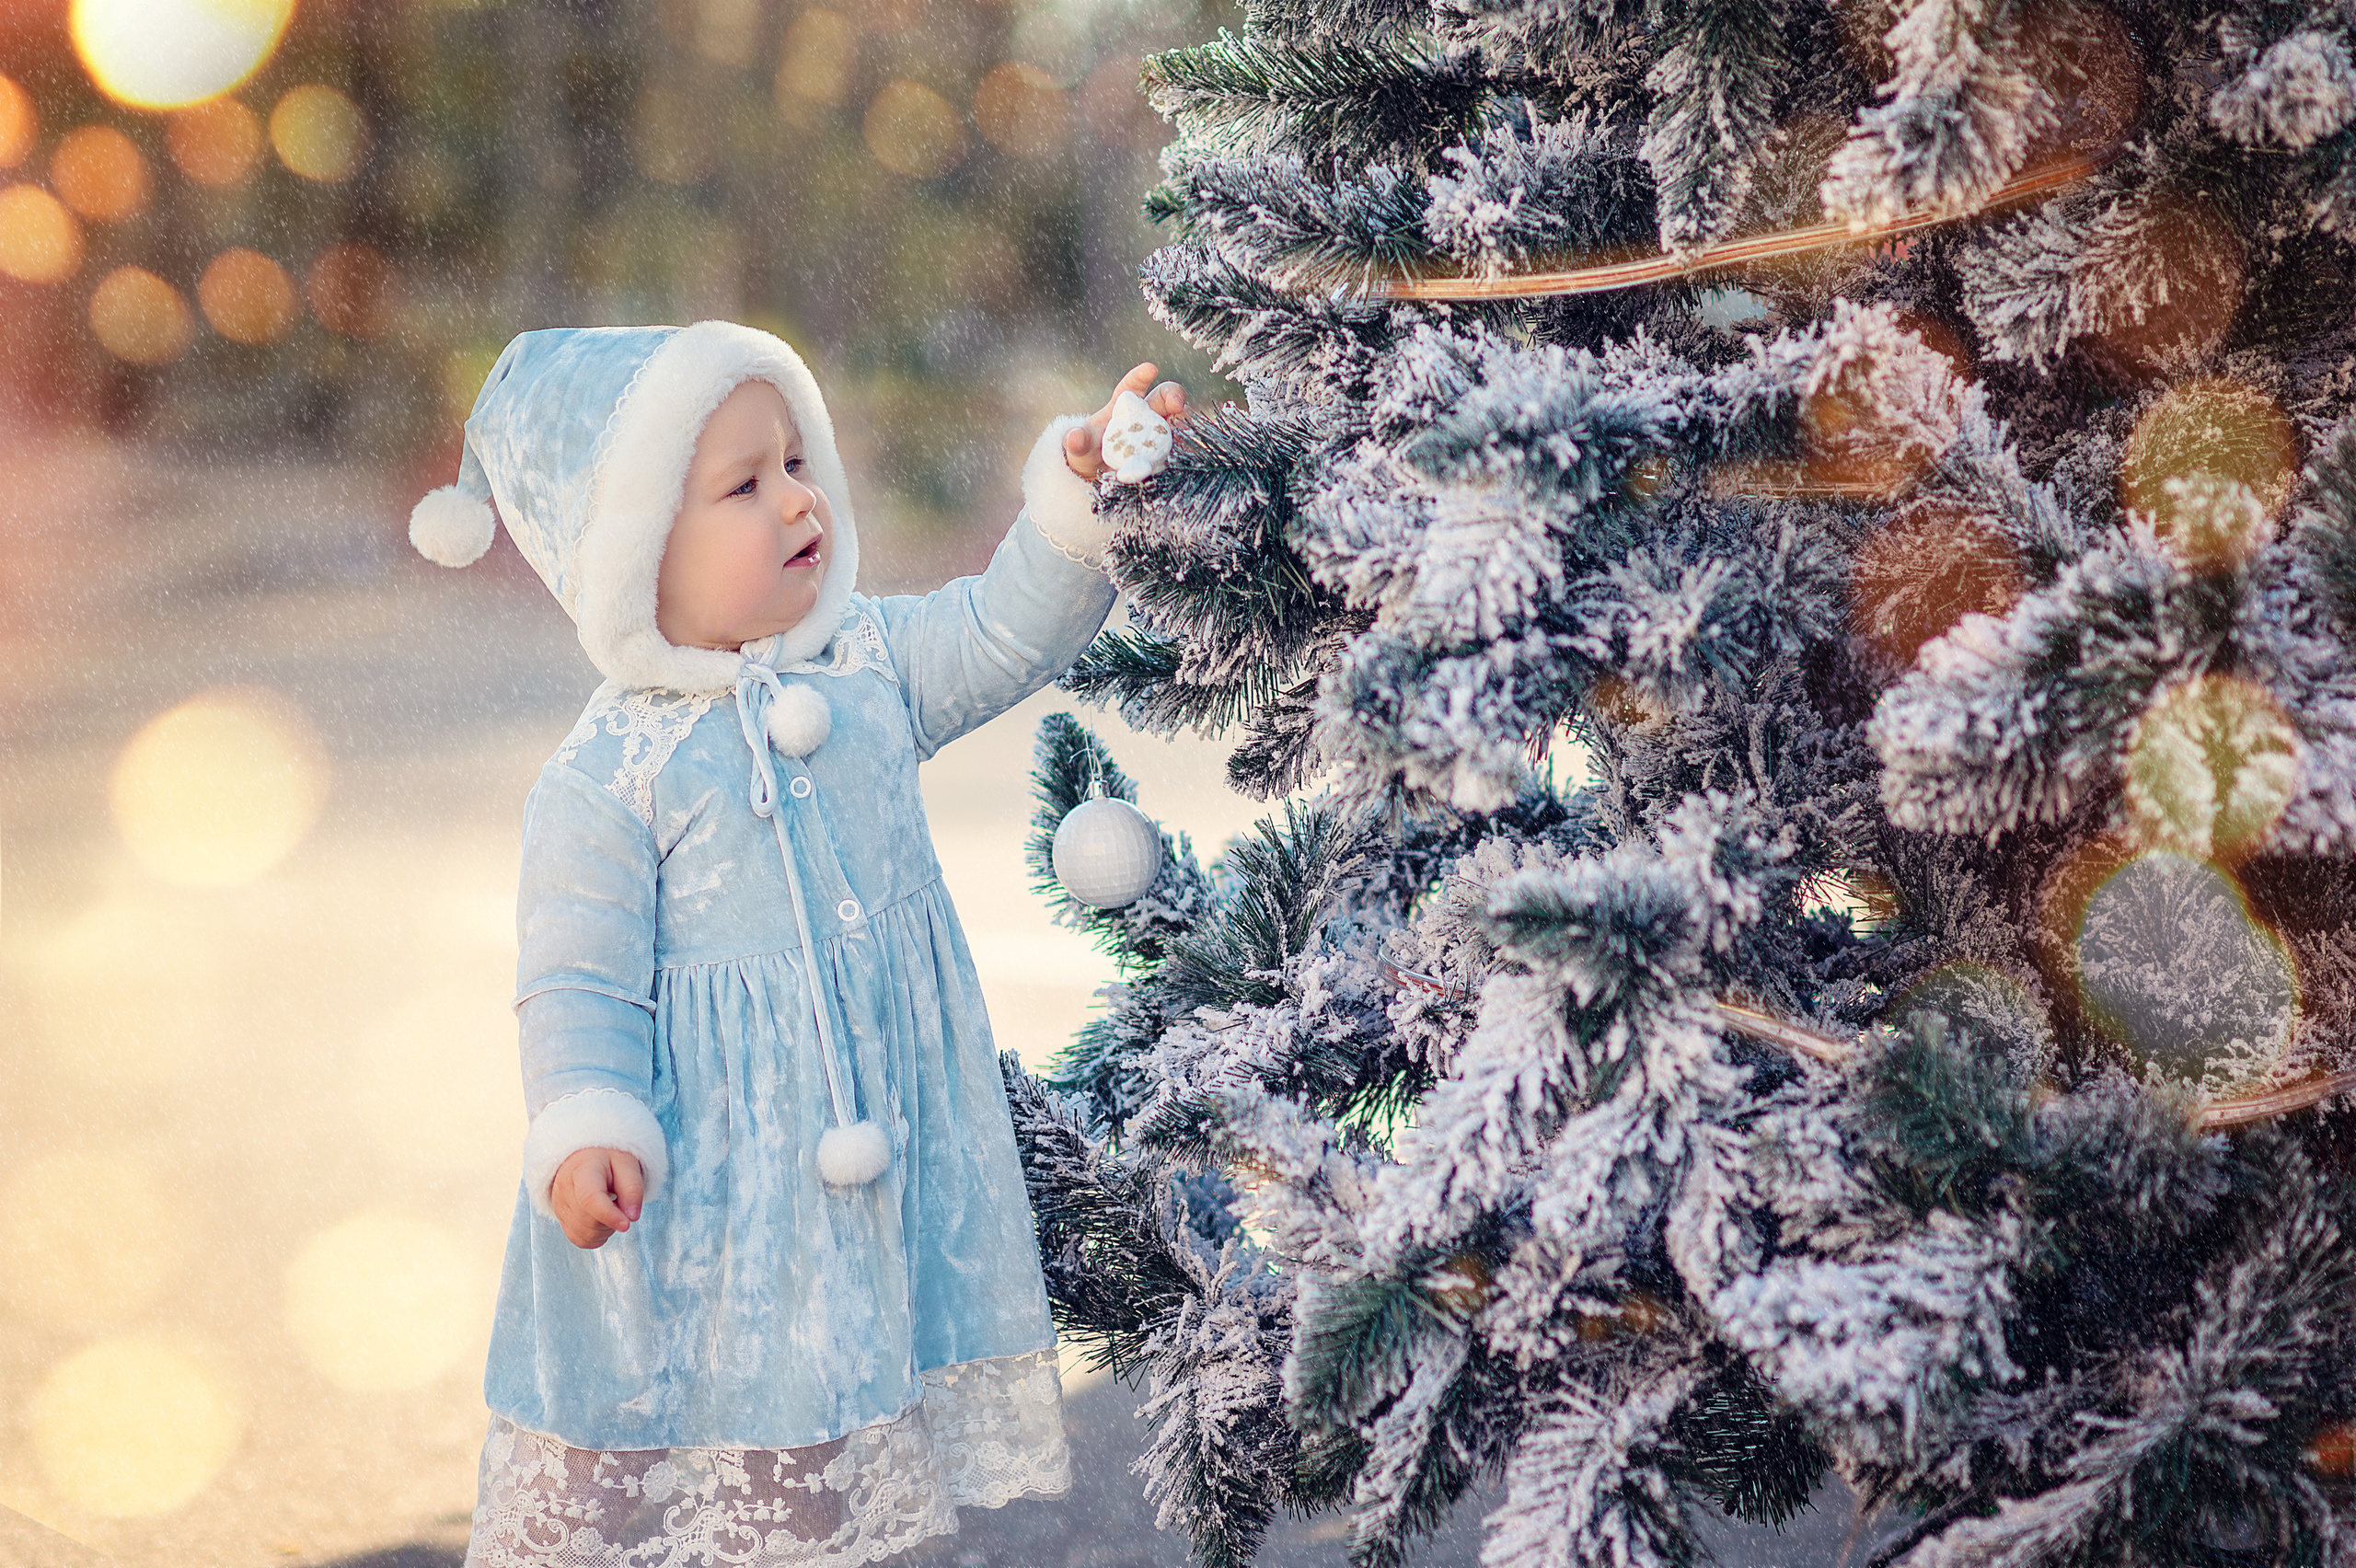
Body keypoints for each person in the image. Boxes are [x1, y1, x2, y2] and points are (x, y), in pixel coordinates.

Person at [405, 320, 1184, 1568]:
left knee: (842, 1431)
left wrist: (1074, 497)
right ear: (633, 552)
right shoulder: (612, 775)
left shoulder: (867, 661)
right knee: (744, 1426)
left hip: (869, 1155)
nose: (795, 500)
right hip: (718, 1191)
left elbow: (999, 632)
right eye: (741, 485)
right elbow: (574, 978)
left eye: (794, 462)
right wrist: (589, 1122)